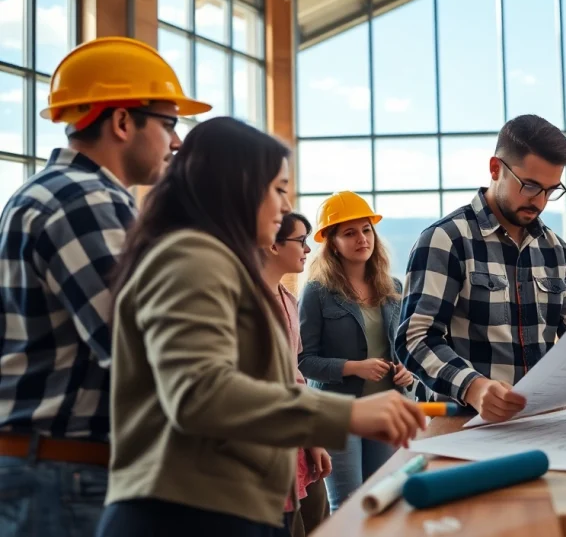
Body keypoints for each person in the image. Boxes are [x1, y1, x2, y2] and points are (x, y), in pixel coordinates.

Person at [95, 117, 425, 537]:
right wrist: (348, 413)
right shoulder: (193, 258)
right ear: (238, 187)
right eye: (279, 189)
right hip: (189, 514)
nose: (286, 208)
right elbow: (201, 393)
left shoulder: (222, 266)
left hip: (217, 506)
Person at [0, 36, 210, 537]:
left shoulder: (47, 193)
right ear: (121, 122)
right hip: (62, 473)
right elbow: (141, 348)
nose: (176, 143)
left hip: (47, 469)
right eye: (169, 124)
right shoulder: (85, 199)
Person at [396, 114, 566, 424]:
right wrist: (473, 388)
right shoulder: (446, 240)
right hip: (464, 422)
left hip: (542, 422)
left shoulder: (553, 248)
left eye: (551, 190)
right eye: (530, 186)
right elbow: (415, 338)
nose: (540, 202)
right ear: (495, 168)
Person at [297, 191, 424, 511]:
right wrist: (353, 367)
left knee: (386, 499)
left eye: (366, 230)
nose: (362, 239)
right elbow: (303, 361)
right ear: (332, 243)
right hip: (339, 412)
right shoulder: (317, 292)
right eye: (349, 233)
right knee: (349, 504)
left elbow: (402, 348)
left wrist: (407, 372)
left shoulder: (392, 287)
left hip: (387, 410)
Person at [261, 212, 331, 537]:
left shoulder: (289, 299)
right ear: (273, 245)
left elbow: (296, 375)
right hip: (272, 446)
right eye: (301, 240)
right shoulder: (247, 304)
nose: (307, 249)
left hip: (301, 438)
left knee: (322, 523)